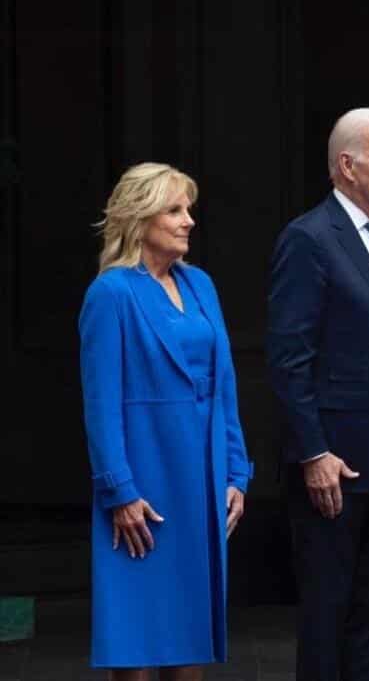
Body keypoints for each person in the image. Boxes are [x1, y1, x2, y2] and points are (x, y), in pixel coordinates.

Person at [266, 107, 369, 680]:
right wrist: (313, 452)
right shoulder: (309, 239)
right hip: (333, 470)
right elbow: (291, 358)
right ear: (347, 165)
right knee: (327, 617)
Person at [79, 162, 254, 679]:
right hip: (143, 486)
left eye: (188, 210)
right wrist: (119, 491)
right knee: (135, 638)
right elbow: (101, 403)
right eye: (174, 211)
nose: (188, 222)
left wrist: (236, 473)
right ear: (140, 218)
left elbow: (224, 387)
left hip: (198, 479)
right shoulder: (111, 294)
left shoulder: (200, 285)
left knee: (189, 632)